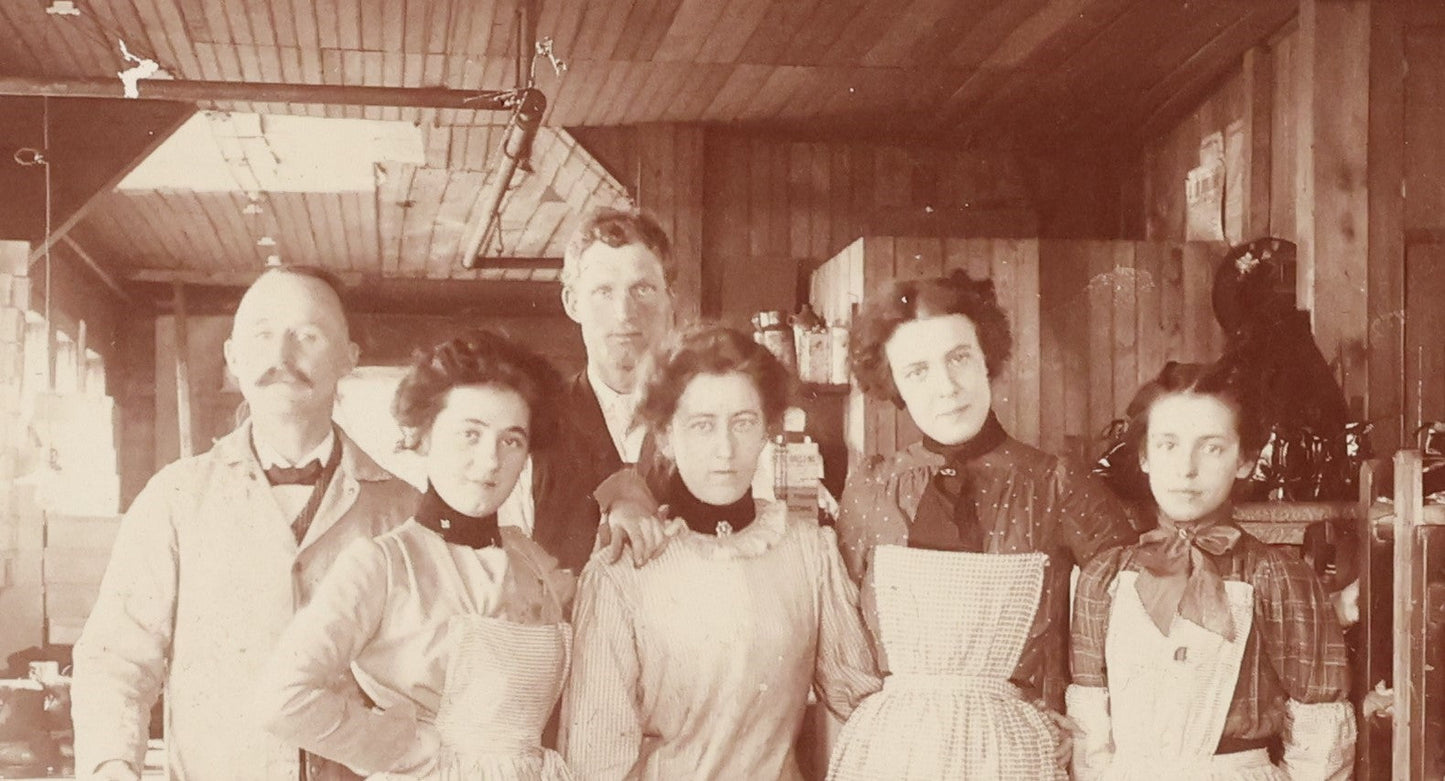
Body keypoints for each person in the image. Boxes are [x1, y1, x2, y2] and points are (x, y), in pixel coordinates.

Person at [71, 266, 417, 780]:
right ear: (233, 358)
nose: (281, 358)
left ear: (349, 357)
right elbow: (115, 660)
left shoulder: (404, 510)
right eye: (262, 335)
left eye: (308, 335)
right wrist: (111, 765)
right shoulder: (176, 498)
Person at [827, 270, 1137, 779]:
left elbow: (1131, 617)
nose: (946, 387)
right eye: (917, 370)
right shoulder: (870, 491)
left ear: (985, 357)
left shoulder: (1056, 483)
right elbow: (844, 643)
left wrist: (1080, 721)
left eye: (958, 358)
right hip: (899, 759)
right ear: (893, 385)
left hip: (1016, 755)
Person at [560, 325, 880, 780]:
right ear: (667, 436)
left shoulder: (807, 549)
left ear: (768, 431)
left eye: (743, 422)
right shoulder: (624, 569)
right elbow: (595, 760)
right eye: (702, 425)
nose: (725, 449)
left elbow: (862, 699)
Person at [257, 330, 575, 779]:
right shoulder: (382, 563)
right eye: (470, 434)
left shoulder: (532, 561)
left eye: (511, 441)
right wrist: (406, 748)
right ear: (422, 436)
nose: (490, 461)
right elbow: (281, 697)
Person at [1068, 361, 1356, 779]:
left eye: (1212, 447)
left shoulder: (1276, 577)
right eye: (1168, 445)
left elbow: (1320, 726)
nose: (1187, 469)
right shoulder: (1105, 577)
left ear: (1244, 461)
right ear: (1144, 457)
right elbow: (1090, 733)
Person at [509, 206, 679, 571]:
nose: (624, 312)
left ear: (670, 301)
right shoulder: (532, 427)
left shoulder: (705, 420)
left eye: (644, 289)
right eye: (603, 291)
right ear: (572, 302)